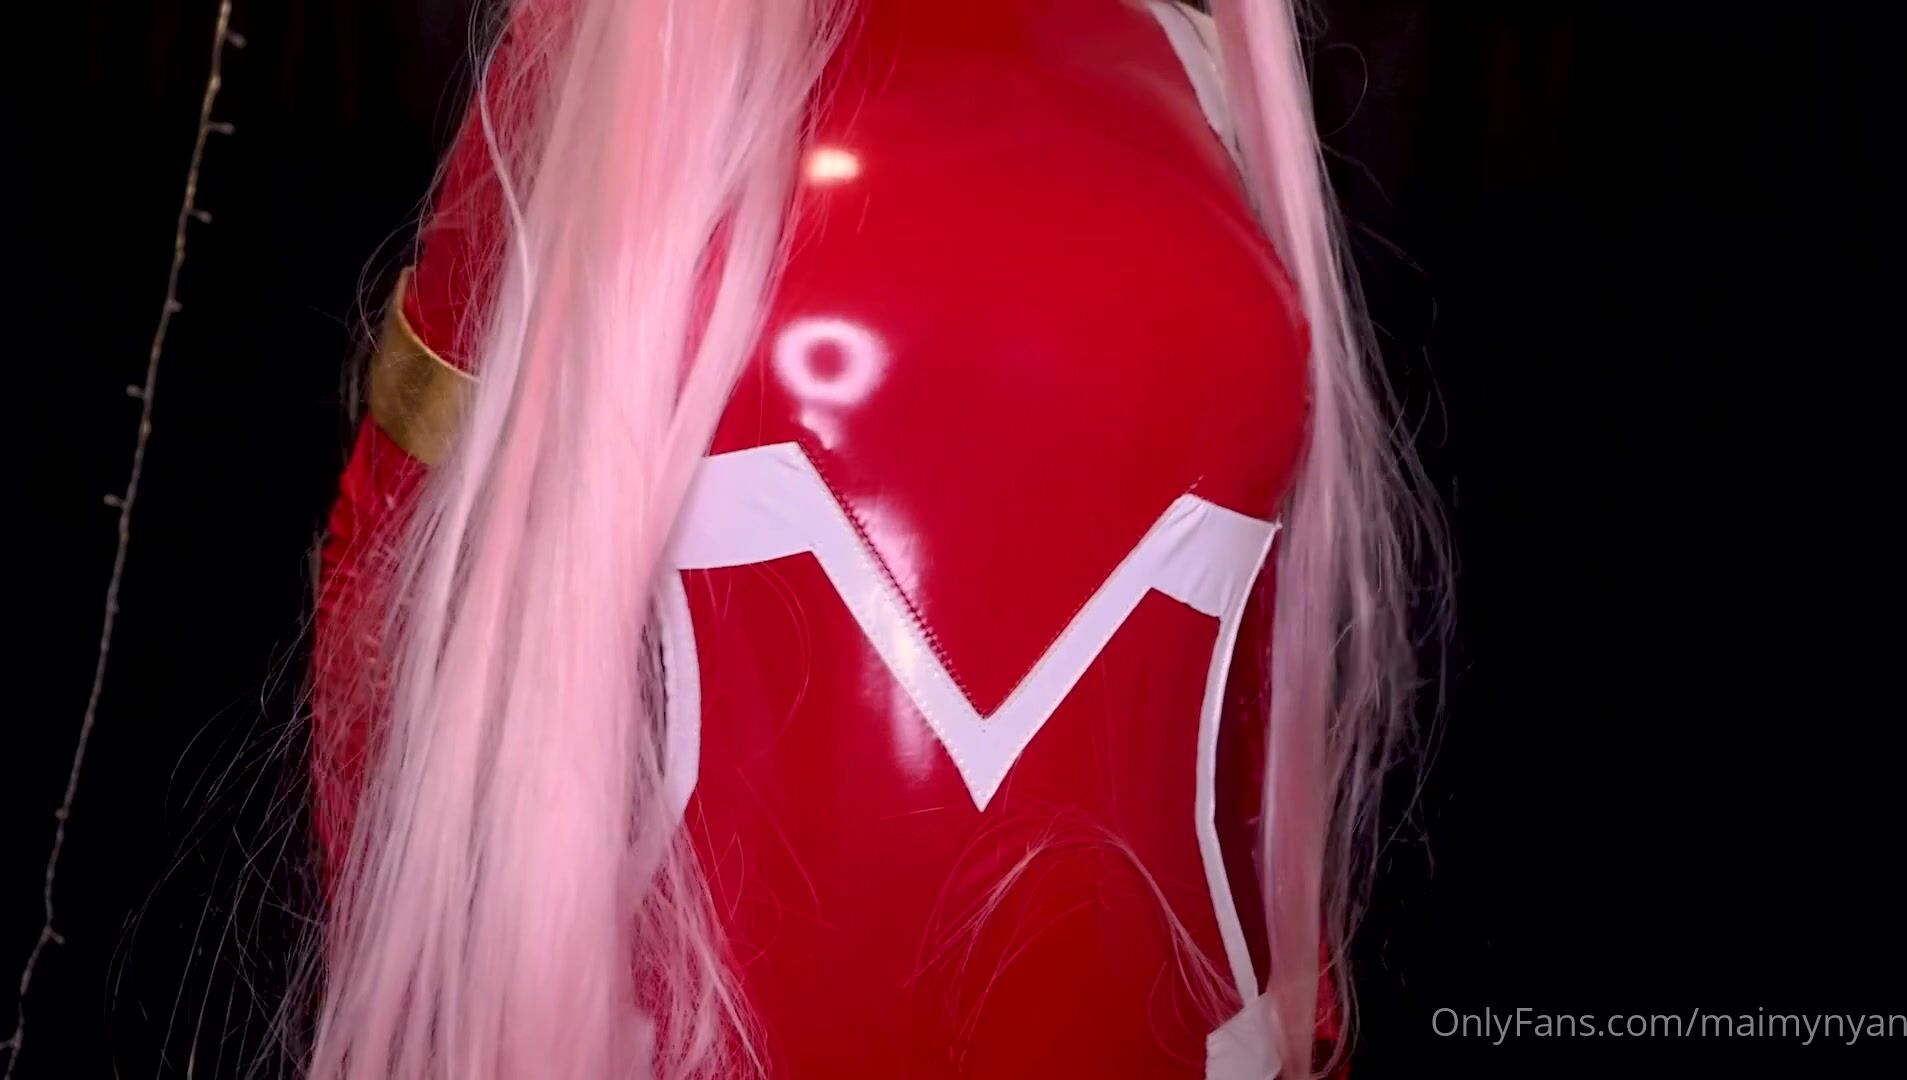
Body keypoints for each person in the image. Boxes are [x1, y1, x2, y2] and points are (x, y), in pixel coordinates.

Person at [308, 1, 1432, 1076]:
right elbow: (394, 592)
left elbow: (1250, 679)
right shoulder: (607, 57)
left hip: (1185, 1037)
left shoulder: (1204, 77)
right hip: (707, 1038)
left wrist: (1308, 1019)